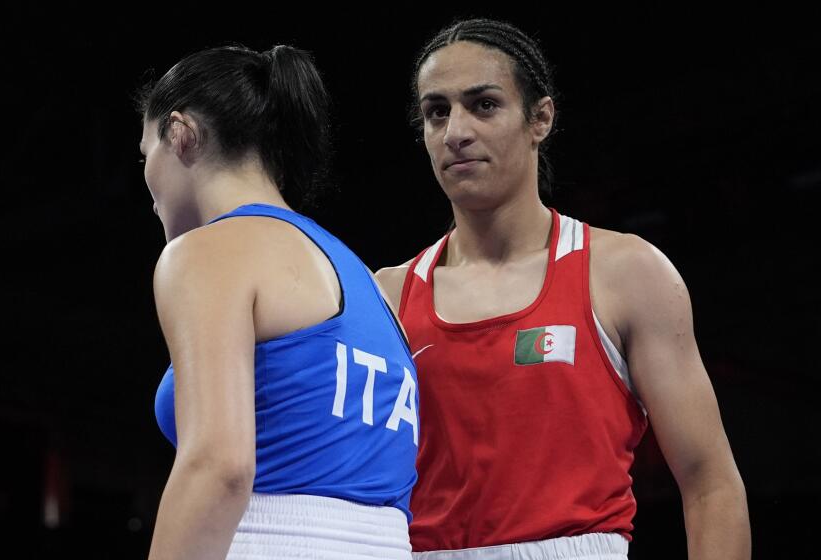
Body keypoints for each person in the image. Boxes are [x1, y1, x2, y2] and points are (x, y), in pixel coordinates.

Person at [376, 18, 750, 560]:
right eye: (438, 111)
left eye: (483, 105)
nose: (456, 131)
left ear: (541, 118)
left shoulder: (624, 273)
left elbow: (711, 483)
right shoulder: (385, 297)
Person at [137, 44, 418, 560]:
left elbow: (218, 467)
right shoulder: (367, 283)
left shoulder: (205, 253)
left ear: (180, 134)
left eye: (144, 153)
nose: (148, 185)